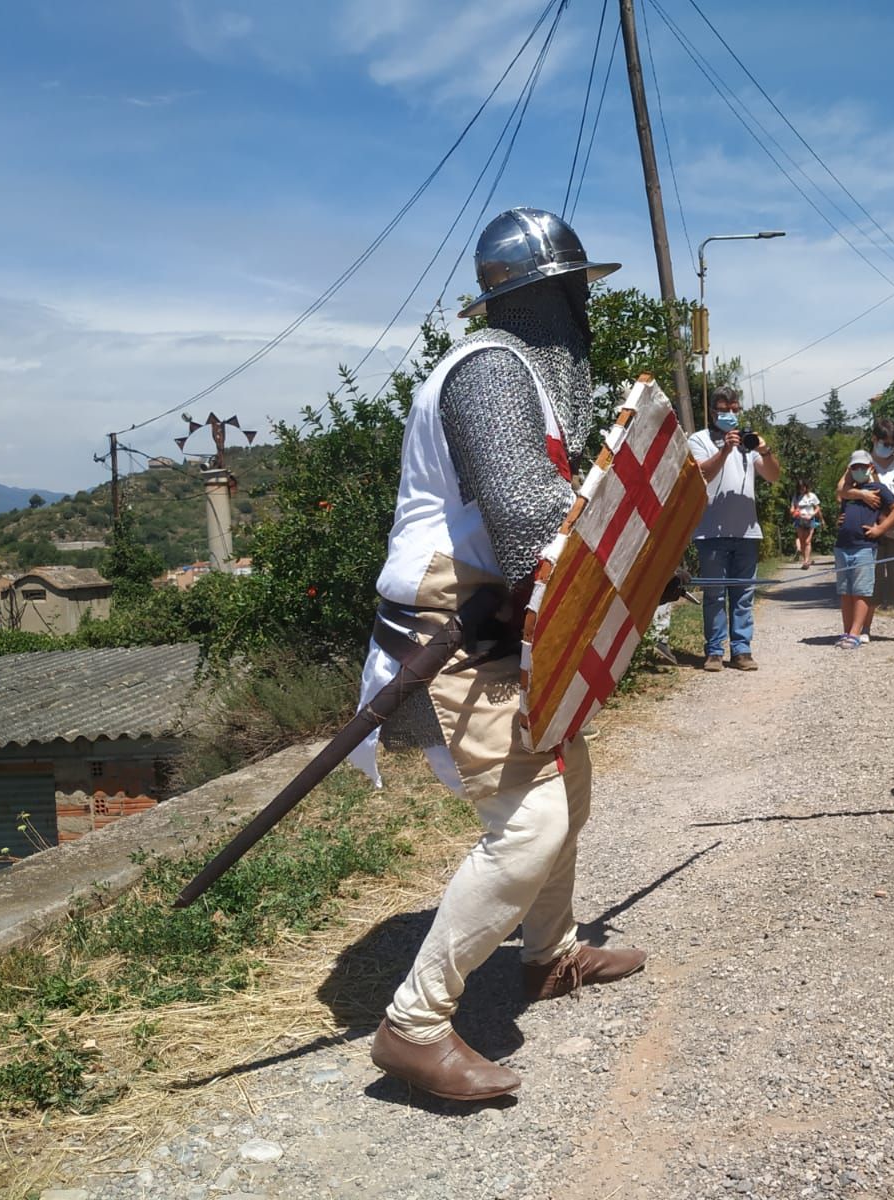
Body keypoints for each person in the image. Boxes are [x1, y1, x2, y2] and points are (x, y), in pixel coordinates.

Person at [351, 208, 644, 1102]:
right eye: (570, 295)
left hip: (501, 615)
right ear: (546, 296)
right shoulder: (488, 371)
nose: (578, 312)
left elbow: (554, 515)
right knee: (528, 822)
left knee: (570, 778)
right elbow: (526, 521)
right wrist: (616, 573)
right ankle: (413, 1024)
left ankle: (547, 957)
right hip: (451, 629)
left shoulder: (522, 375)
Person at [687, 385, 781, 671]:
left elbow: (773, 476)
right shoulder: (699, 439)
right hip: (710, 532)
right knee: (714, 595)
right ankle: (714, 652)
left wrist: (764, 449)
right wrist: (726, 449)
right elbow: (703, 473)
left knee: (743, 595)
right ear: (713, 411)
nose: (730, 414)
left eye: (734, 409)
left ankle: (742, 651)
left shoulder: (747, 444)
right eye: (724, 409)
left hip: (746, 533)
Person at [838, 417, 894, 641]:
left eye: (893, 444)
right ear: (875, 439)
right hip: (869, 525)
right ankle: (865, 628)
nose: (888, 448)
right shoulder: (863, 462)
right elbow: (842, 489)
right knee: (870, 576)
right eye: (884, 443)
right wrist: (861, 494)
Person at [834, 450, 894, 648]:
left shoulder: (878, 488)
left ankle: (856, 633)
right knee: (846, 591)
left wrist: (881, 528)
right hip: (842, 546)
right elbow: (841, 491)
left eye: (862, 467)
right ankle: (846, 632)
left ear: (870, 468)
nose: (858, 470)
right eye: (854, 467)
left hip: (864, 546)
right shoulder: (848, 491)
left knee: (860, 591)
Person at [790, 480, 820, 568]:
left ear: (806, 487)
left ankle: (806, 561)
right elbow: (792, 509)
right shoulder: (796, 497)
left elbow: (817, 508)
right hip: (799, 520)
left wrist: (812, 515)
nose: (802, 489)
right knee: (802, 541)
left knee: (807, 541)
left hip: (810, 520)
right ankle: (805, 560)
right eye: (800, 487)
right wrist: (795, 512)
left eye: (803, 487)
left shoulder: (812, 496)